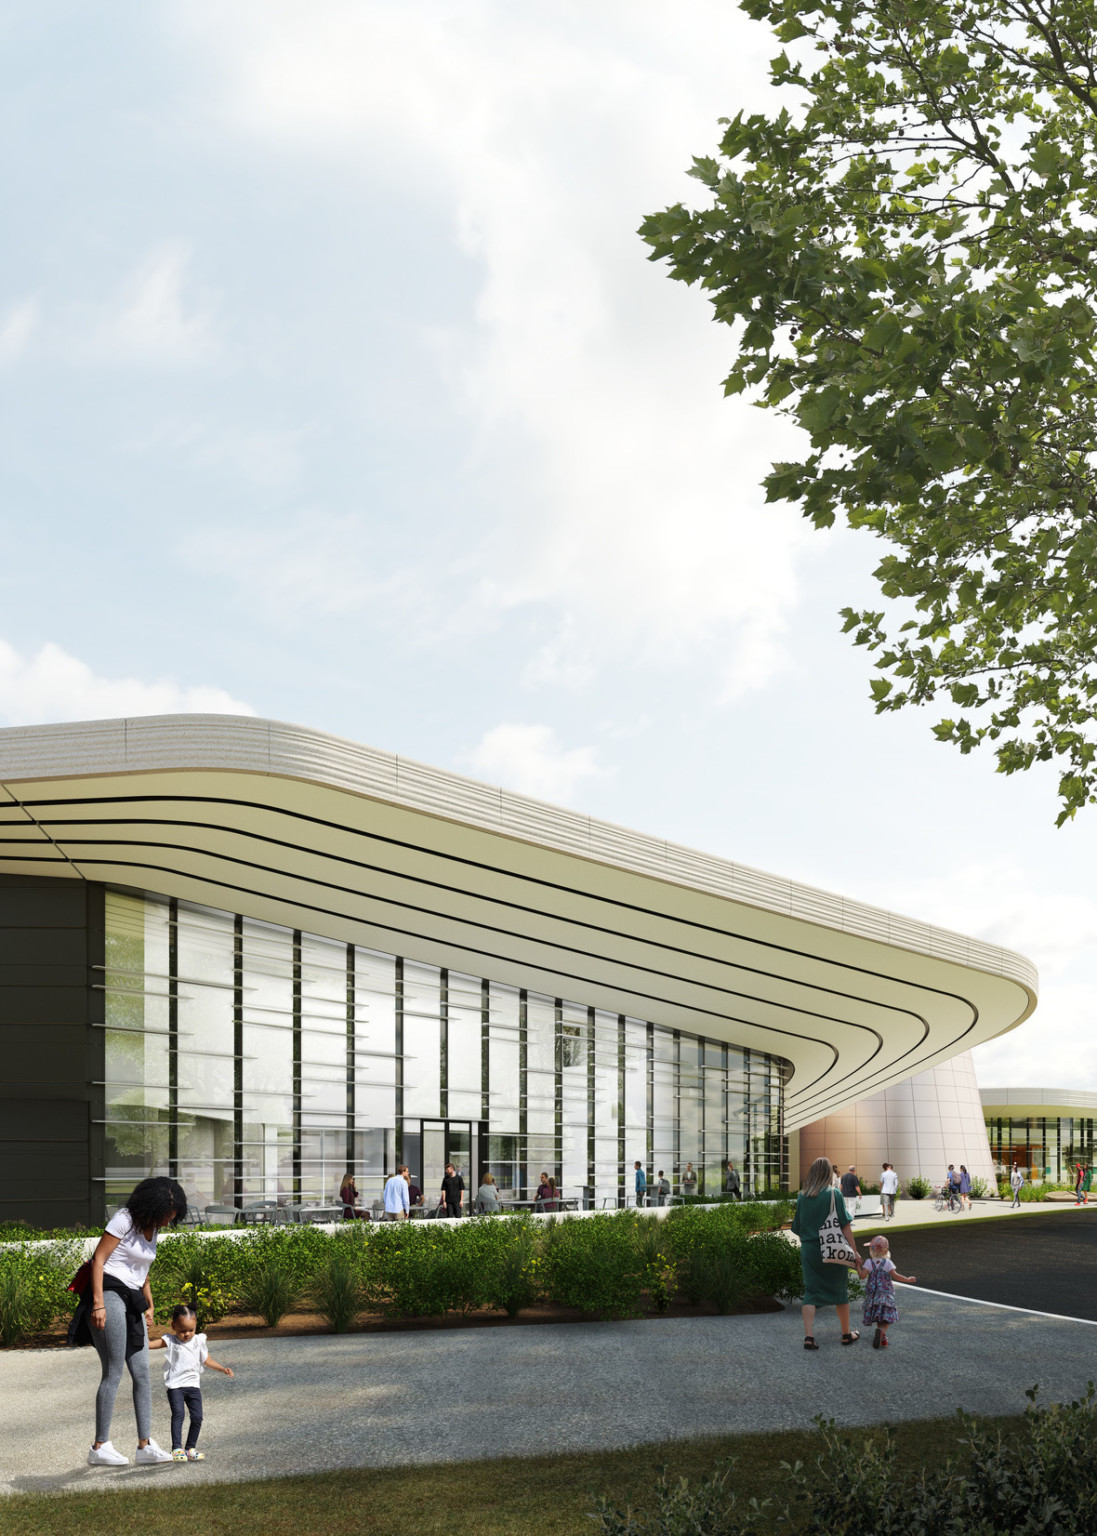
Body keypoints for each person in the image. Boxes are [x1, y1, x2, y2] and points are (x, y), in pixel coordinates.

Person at [70, 1175, 187, 1467]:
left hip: (133, 1298)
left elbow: (142, 1268)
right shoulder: (124, 1219)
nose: (167, 1222)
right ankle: (99, 1447)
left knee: (142, 1372)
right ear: (152, 1205)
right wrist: (97, 1304)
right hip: (109, 1292)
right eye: (165, 1215)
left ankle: (144, 1446)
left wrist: (149, 1302)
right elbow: (99, 1259)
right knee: (113, 1371)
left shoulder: (153, 1228)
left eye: (171, 1218)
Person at [790, 1157, 861, 1350]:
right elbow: (845, 1225)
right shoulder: (834, 1194)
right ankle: (846, 1334)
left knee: (810, 1292)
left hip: (810, 1250)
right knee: (839, 1291)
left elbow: (797, 1227)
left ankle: (809, 1337)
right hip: (833, 1249)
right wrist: (854, 1252)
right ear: (828, 1173)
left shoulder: (801, 1196)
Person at [148, 1302, 234, 1461]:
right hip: (176, 1387)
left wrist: (222, 1369)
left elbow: (207, 1360)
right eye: (182, 1330)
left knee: (197, 1417)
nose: (187, 1334)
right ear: (174, 1326)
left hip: (193, 1386)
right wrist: (141, 1344)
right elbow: (152, 1344)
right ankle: (177, 1449)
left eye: (191, 1330)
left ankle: (190, 1448)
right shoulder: (171, 1341)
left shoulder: (199, 1341)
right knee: (178, 1414)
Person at [857, 1235, 916, 1349]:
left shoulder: (869, 1263)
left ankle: (882, 1335)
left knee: (879, 1317)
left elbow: (862, 1276)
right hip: (885, 1295)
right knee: (887, 1317)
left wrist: (858, 1266)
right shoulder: (888, 1263)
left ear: (872, 1249)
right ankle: (882, 1332)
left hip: (873, 1296)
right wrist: (908, 1279)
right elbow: (896, 1276)